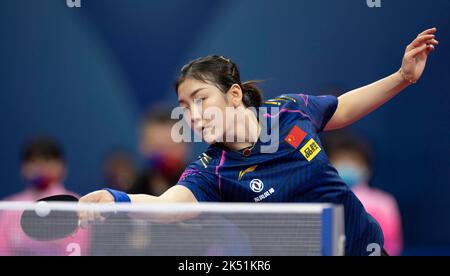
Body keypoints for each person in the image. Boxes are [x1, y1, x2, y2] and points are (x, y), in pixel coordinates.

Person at [79, 28, 438, 256]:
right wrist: (118, 199)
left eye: (201, 98)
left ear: (234, 95)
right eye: (184, 107)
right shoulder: (211, 171)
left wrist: (402, 77)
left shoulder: (289, 111)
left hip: (362, 247)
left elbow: (341, 109)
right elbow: (168, 205)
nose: (192, 114)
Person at [0, 138, 90, 256]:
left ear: (62, 167)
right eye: (32, 161)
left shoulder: (77, 204)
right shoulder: (9, 207)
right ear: (22, 168)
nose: (40, 167)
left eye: (47, 160)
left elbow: (77, 249)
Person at [324, 131, 403, 256]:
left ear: (366, 166)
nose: (347, 165)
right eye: (340, 160)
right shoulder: (316, 200)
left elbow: (391, 246)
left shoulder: (384, 203)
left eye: (354, 161)